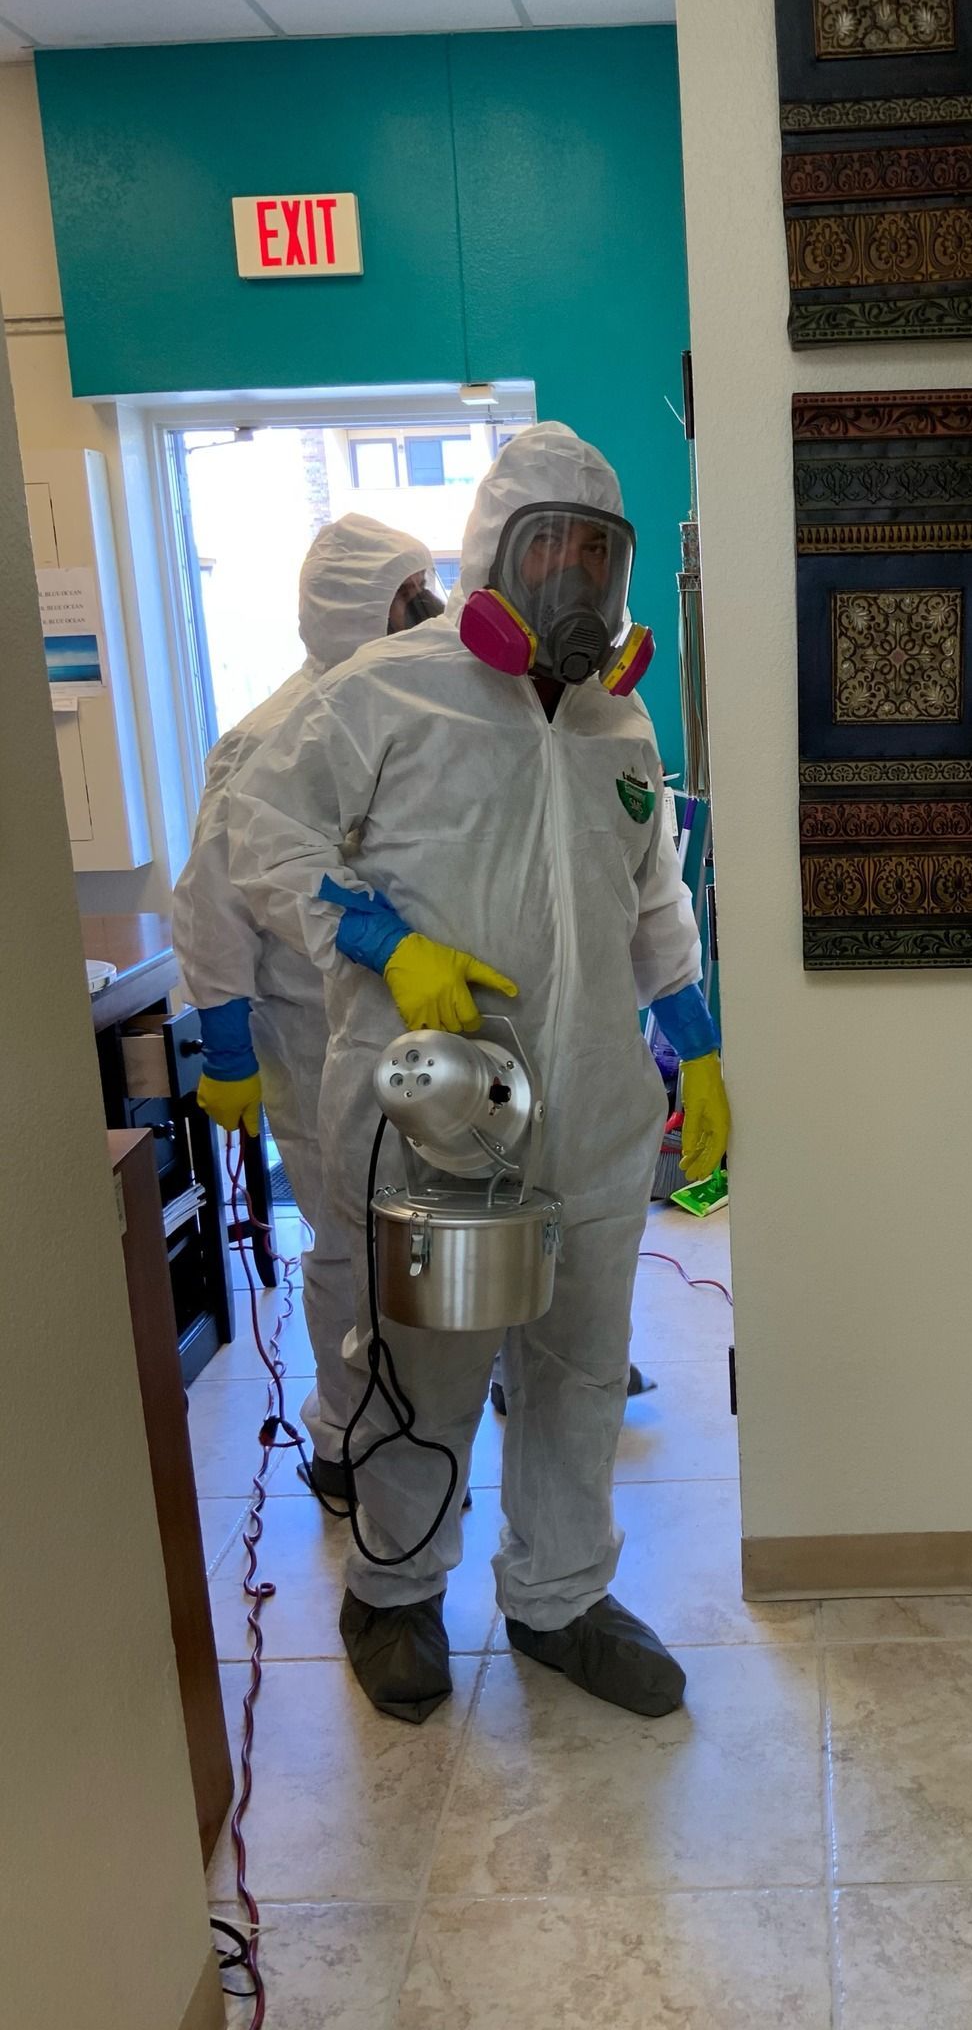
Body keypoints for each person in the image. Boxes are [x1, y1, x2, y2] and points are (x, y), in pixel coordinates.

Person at [227, 424, 730, 1725]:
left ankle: (560, 1595)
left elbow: (654, 893)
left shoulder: (620, 718)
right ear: (492, 555)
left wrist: (701, 1041)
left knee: (578, 1365)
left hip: (596, 1115)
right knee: (428, 1363)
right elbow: (261, 838)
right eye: (548, 546)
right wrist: (387, 945)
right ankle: (392, 1591)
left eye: (597, 554)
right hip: (432, 1106)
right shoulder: (383, 693)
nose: (575, 579)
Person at [172, 514, 445, 1497]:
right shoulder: (263, 739)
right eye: (409, 598)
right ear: (355, 611)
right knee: (346, 1237)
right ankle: (343, 1437)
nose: (429, 614)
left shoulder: (403, 712)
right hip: (303, 1021)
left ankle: (430, 1398)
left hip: (404, 1016)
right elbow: (212, 899)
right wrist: (228, 1043)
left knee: (422, 1222)